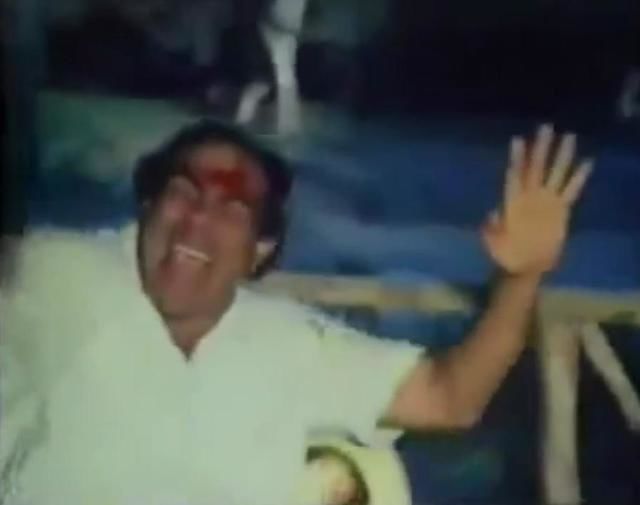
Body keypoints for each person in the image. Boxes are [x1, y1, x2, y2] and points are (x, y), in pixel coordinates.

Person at [0, 121, 591, 505]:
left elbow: (450, 397)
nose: (198, 219)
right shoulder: (56, 273)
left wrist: (523, 276)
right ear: (148, 204)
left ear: (259, 251)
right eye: (183, 191)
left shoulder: (290, 346)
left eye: (231, 208)